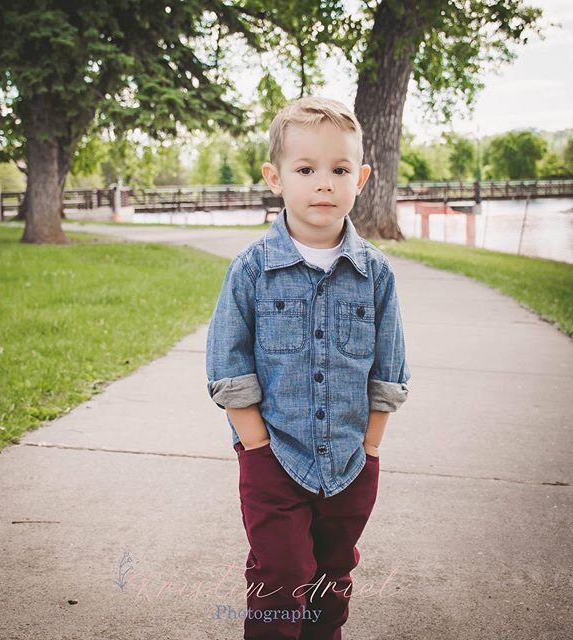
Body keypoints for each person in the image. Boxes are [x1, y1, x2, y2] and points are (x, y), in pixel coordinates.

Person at [205, 96, 411, 640]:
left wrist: (369, 448)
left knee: (332, 575)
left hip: (349, 460)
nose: (324, 183)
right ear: (275, 177)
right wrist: (257, 450)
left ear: (362, 178)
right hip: (275, 458)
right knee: (282, 574)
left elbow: (388, 371)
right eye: (306, 169)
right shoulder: (252, 271)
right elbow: (228, 366)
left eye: (339, 170)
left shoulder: (376, 276)